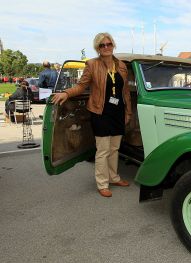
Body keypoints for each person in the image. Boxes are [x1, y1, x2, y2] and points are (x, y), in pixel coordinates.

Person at [52, 32, 132, 198]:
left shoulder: (122, 66)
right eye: (102, 45)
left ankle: (114, 177)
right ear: (97, 48)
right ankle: (102, 183)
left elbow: (125, 92)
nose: (106, 47)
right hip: (100, 111)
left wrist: (128, 111)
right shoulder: (92, 64)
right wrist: (66, 93)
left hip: (118, 112)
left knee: (114, 148)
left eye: (108, 44)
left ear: (113, 45)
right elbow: (81, 86)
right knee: (103, 150)